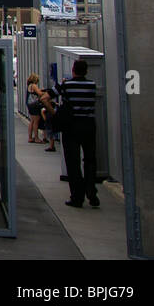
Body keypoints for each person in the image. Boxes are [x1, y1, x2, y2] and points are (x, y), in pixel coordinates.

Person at [59, 59, 99, 208]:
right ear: (86, 71)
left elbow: (53, 96)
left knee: (73, 162)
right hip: (89, 125)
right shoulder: (92, 86)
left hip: (71, 126)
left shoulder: (67, 85)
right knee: (90, 160)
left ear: (73, 70)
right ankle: (91, 192)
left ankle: (77, 196)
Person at [24, 72, 44, 143]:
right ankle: (36, 138)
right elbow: (39, 93)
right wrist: (45, 92)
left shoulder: (29, 85)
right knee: (36, 121)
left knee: (32, 121)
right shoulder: (34, 85)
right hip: (34, 104)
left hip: (30, 104)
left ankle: (30, 137)